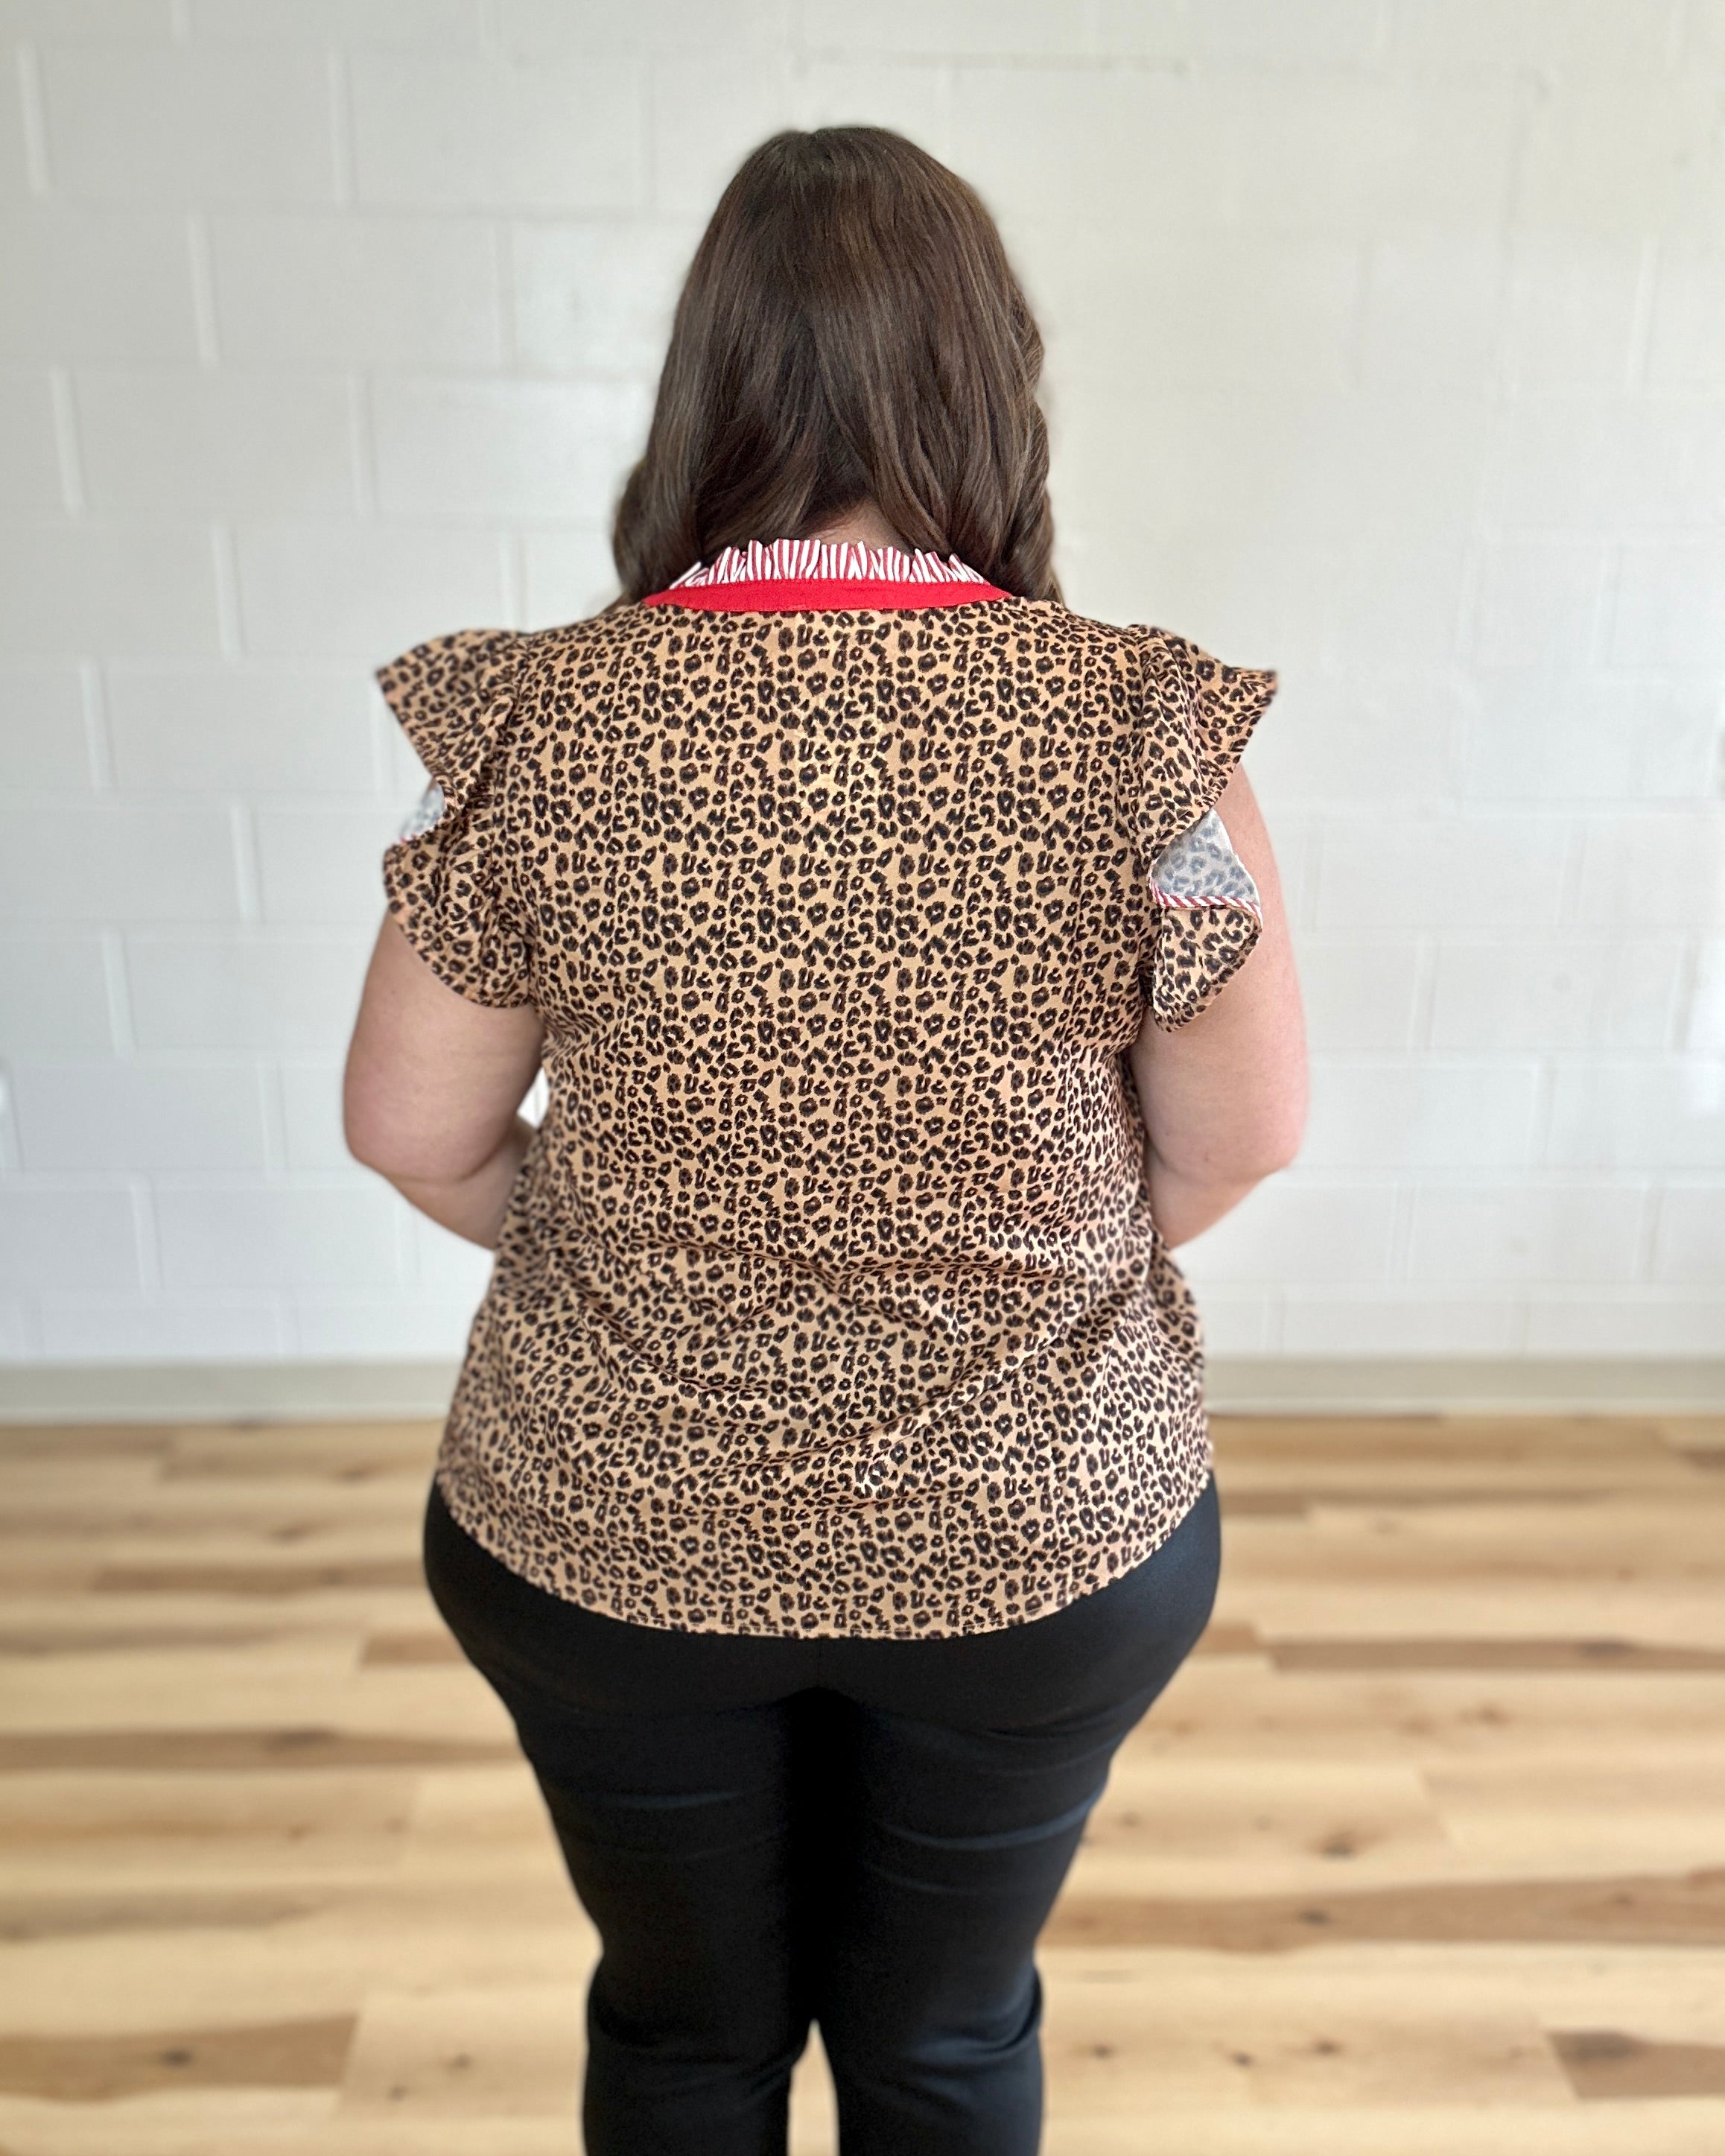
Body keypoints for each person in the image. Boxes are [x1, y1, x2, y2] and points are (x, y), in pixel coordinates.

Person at [343, 125, 1306, 2156]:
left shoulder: (538, 725)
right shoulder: (1142, 732)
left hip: (605, 1526)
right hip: (1036, 1533)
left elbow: (412, 1137)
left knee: (683, 2034)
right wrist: (1005, 1261)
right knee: (946, 2036)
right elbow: (1240, 1145)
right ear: (993, 384)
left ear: (704, 387)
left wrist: (624, 1250)